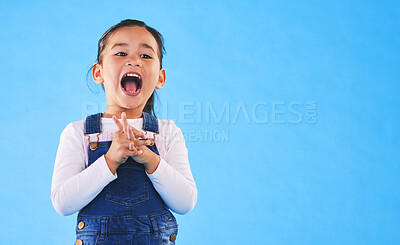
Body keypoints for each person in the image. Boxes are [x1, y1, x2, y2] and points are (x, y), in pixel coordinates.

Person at [51, 19, 197, 244]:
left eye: (146, 56)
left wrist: (150, 159)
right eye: (120, 53)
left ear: (160, 78)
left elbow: (185, 202)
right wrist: (110, 160)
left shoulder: (167, 132)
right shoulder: (78, 133)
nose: (134, 61)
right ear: (98, 72)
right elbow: (63, 203)